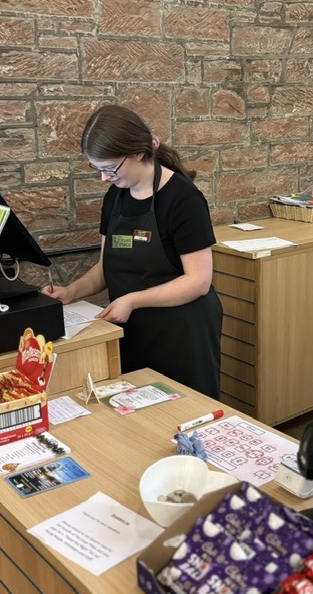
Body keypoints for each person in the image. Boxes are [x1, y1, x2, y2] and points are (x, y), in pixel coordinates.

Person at [43, 104, 223, 399]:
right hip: (131, 329)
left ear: (139, 152)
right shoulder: (116, 195)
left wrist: (132, 300)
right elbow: (107, 265)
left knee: (186, 413)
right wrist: (72, 291)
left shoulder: (183, 199)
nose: (104, 178)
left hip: (181, 333)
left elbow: (198, 281)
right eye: (97, 169)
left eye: (109, 168)